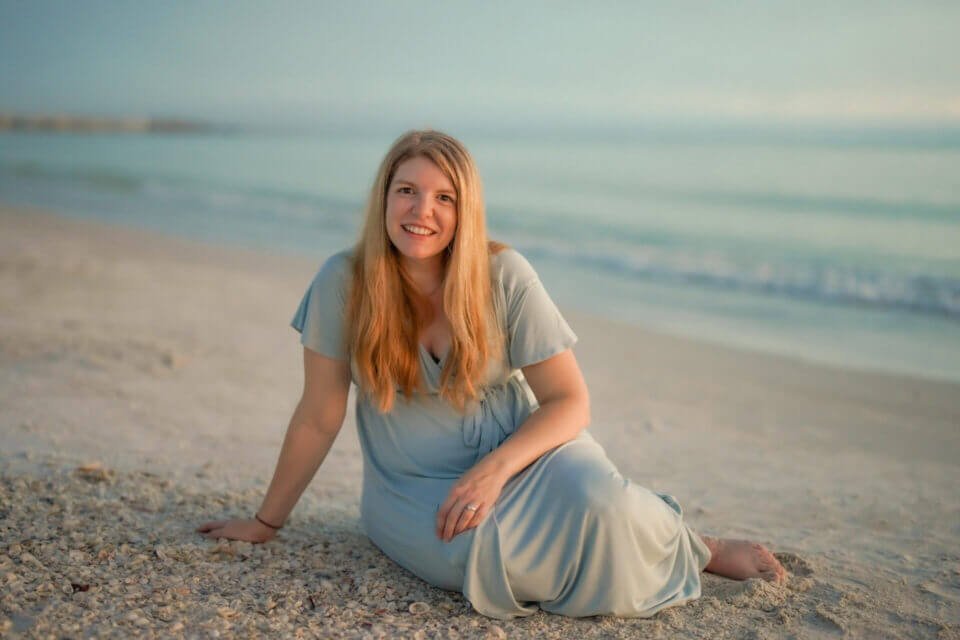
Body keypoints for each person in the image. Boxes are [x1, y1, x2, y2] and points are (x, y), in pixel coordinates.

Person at [198, 129, 787, 619]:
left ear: (465, 209)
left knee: (604, 503)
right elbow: (317, 416)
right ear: (383, 199)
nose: (421, 211)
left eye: (443, 197)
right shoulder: (342, 283)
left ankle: (694, 544)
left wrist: (494, 471)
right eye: (406, 190)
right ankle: (649, 540)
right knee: (489, 552)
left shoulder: (505, 275)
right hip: (414, 489)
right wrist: (264, 521)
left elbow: (570, 402)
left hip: (525, 456)